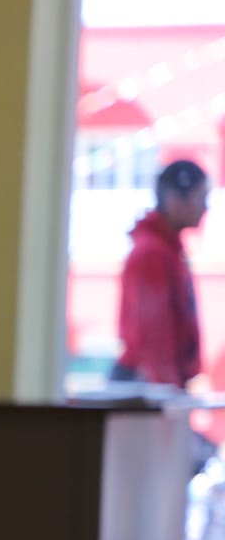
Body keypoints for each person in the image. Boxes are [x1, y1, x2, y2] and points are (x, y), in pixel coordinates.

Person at [113, 159, 209, 392]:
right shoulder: (152, 254)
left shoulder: (167, 250)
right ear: (176, 200)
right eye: (201, 198)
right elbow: (152, 336)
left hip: (156, 386)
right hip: (146, 389)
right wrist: (166, 393)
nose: (205, 208)